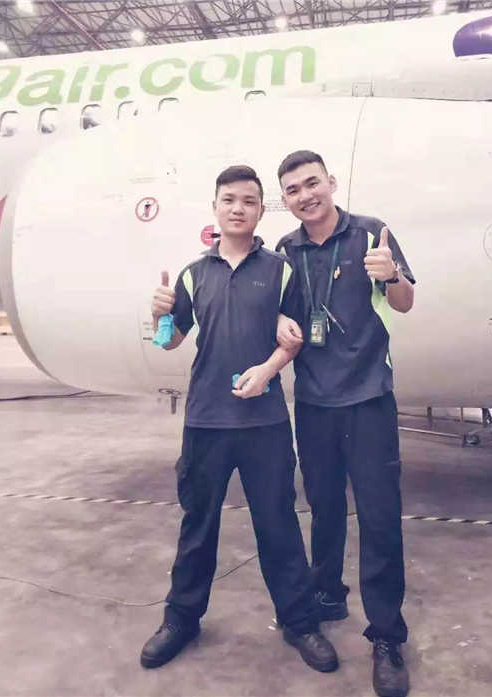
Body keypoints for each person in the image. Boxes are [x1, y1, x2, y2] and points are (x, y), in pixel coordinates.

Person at [141, 165, 338, 674]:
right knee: (197, 526)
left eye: (249, 201)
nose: (238, 209)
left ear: (259, 210)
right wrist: (160, 314)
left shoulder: (281, 270)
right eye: (229, 199)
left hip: (264, 424)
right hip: (206, 421)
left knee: (279, 526)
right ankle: (181, 620)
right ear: (215, 207)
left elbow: (294, 339)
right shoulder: (193, 274)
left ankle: (300, 622)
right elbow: (170, 340)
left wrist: (268, 369)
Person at [275, 151, 415, 697]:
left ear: (330, 183)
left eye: (312, 183)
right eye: (293, 190)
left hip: (369, 399)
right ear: (284, 200)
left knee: (379, 518)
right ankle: (327, 594)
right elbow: (278, 317)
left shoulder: (371, 234)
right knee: (325, 509)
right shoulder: (286, 251)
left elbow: (404, 302)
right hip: (314, 403)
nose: (305, 195)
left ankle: (386, 634)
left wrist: (392, 274)